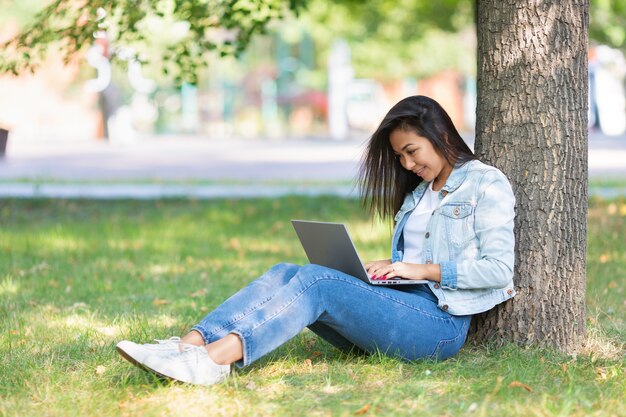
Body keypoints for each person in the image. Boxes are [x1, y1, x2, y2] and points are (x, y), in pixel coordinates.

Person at [116, 95, 516, 386]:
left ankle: (212, 362)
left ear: (441, 133)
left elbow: (499, 271)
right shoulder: (418, 193)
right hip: (402, 304)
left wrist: (422, 269)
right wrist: (388, 269)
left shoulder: (485, 182)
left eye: (411, 151)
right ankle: (188, 345)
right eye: (400, 157)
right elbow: (415, 259)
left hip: (438, 326)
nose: (407, 164)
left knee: (318, 282)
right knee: (285, 272)